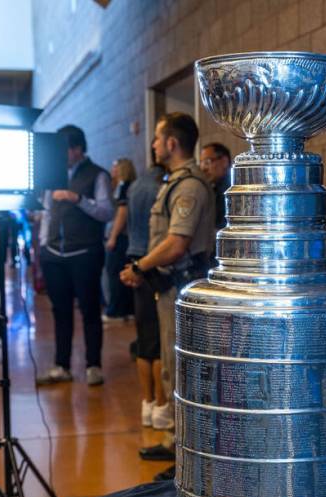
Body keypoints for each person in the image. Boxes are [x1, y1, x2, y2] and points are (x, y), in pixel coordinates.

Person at [121, 112, 214, 466]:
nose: (155, 145)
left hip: (182, 287)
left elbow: (177, 243)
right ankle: (177, 442)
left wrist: (138, 266)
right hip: (171, 288)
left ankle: (185, 453)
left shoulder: (188, 185)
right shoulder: (175, 181)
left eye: (158, 139)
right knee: (170, 365)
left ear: (172, 143)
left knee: (180, 368)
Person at [36, 124, 114, 386]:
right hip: (54, 253)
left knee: (90, 310)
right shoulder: (52, 176)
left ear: (77, 149)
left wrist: (77, 199)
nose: (59, 155)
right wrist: (43, 245)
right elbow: (47, 213)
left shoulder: (98, 175)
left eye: (64, 149)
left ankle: (93, 365)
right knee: (60, 311)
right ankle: (62, 365)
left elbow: (106, 212)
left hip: (85, 253)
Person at [124, 162, 166, 428]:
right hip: (153, 263)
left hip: (135, 258)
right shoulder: (161, 188)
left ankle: (147, 403)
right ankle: (161, 408)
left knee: (144, 337)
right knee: (160, 339)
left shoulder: (135, 185)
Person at [103, 158, 135, 321]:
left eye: (115, 166)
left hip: (121, 237)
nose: (112, 169)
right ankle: (127, 309)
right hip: (126, 237)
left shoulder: (124, 187)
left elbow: (122, 214)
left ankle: (116, 310)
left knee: (115, 274)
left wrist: (113, 237)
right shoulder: (125, 186)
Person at [199, 142, 231, 233]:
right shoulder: (213, 188)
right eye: (201, 163)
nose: (203, 168)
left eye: (207, 162)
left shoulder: (230, 191)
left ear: (224, 162)